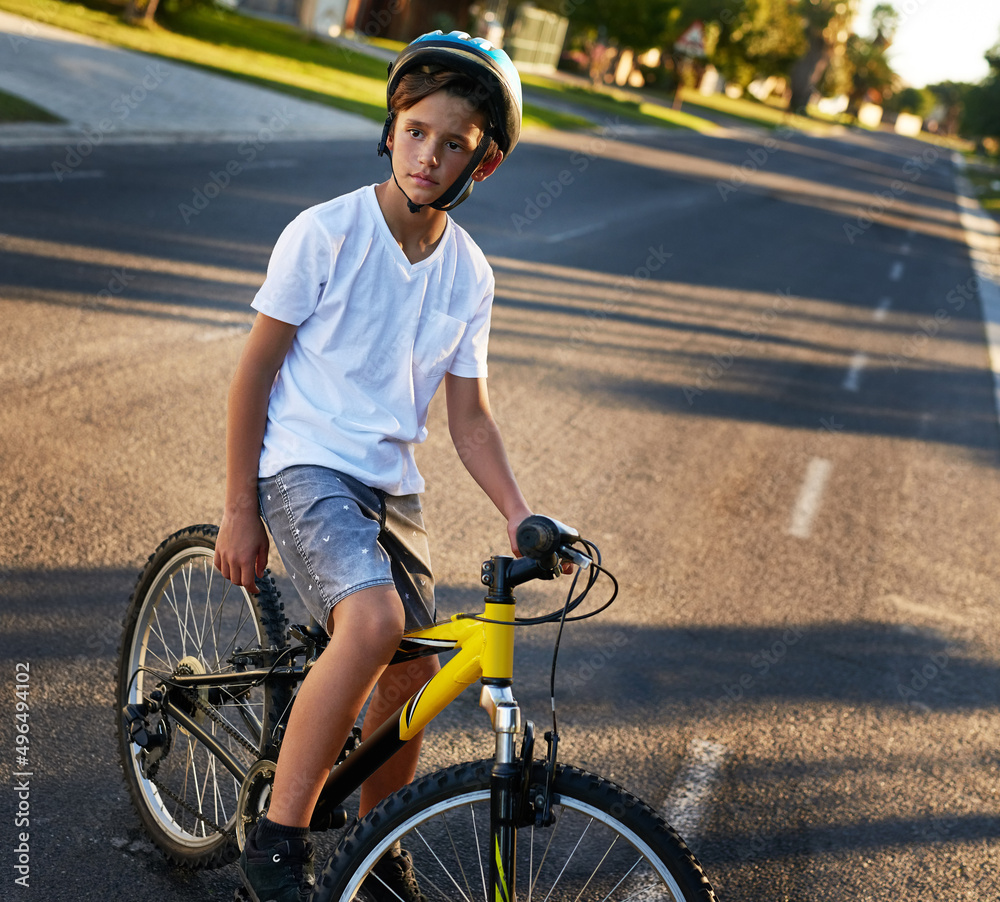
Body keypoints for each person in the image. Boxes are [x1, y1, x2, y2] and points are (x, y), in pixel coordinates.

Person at [214, 30, 531, 902]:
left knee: (413, 669)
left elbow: (468, 416)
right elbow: (255, 374)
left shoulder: (470, 274)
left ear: (485, 162)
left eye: (454, 142)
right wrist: (239, 507)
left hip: (390, 486)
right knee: (371, 623)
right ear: (391, 128)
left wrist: (520, 513)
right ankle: (275, 841)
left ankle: (379, 839)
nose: (428, 154)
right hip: (303, 467)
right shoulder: (326, 234)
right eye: (416, 130)